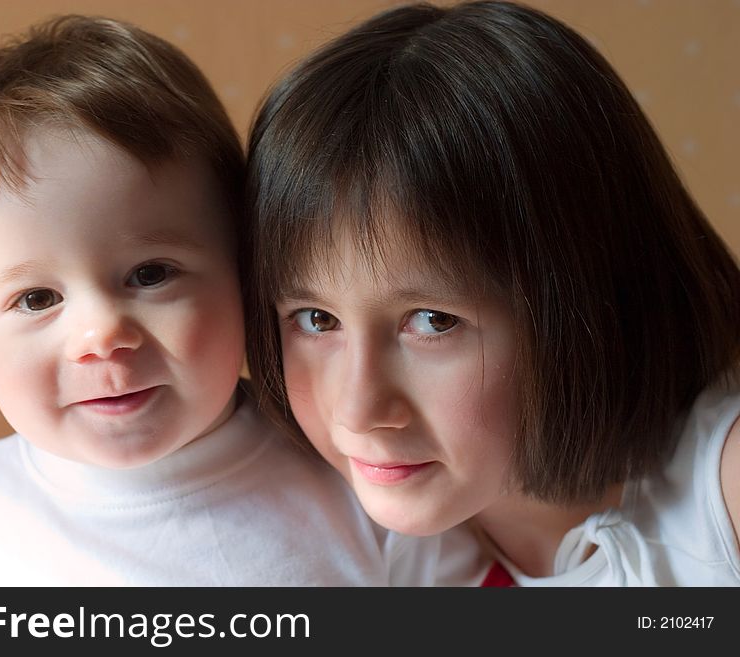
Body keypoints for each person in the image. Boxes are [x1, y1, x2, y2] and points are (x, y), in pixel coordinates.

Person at [0, 14, 484, 586]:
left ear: (245, 275)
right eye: (36, 298)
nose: (102, 333)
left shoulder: (360, 474)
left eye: (150, 274)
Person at [244, 0, 740, 585]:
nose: (359, 411)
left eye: (433, 321)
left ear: (590, 299)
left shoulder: (722, 499)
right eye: (317, 319)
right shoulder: (347, 533)